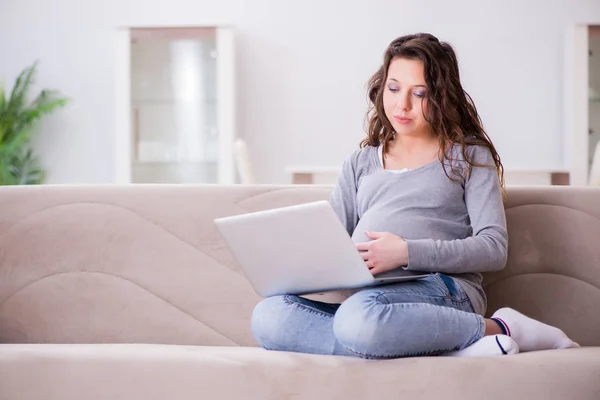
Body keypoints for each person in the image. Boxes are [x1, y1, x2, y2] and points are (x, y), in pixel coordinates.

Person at [251, 33, 579, 359]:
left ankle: (501, 327)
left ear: (442, 97)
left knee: (358, 319)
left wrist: (405, 253)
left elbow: (493, 248)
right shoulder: (360, 162)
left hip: (441, 290)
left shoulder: (468, 157)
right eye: (394, 89)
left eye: (419, 93)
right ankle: (437, 345)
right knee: (269, 317)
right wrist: (297, 264)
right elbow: (330, 241)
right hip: (369, 299)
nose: (402, 105)